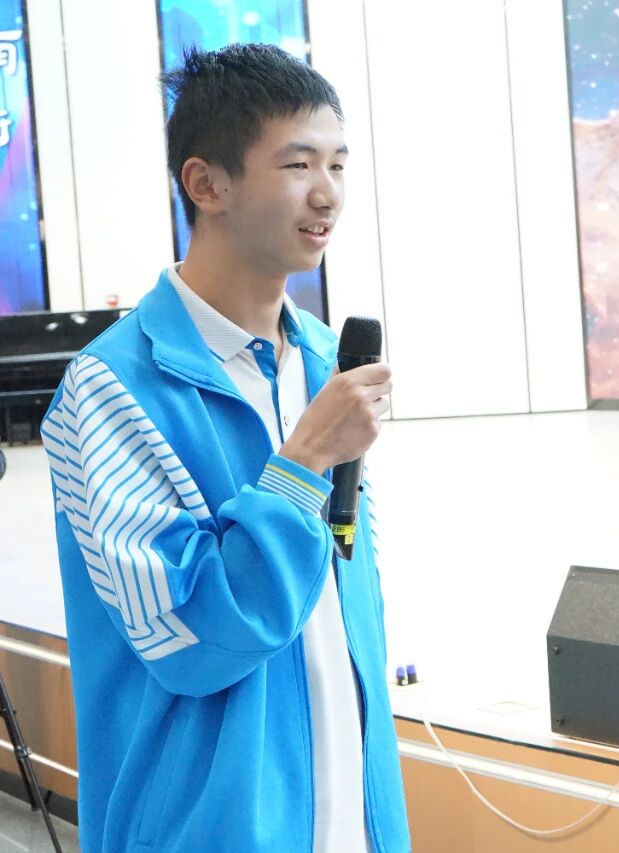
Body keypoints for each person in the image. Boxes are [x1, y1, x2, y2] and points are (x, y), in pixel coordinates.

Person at [40, 44, 409, 852]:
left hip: (351, 820)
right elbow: (192, 640)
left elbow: (345, 603)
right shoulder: (111, 389)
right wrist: (302, 464)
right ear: (207, 185)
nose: (327, 193)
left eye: (339, 163)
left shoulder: (323, 359)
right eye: (298, 164)